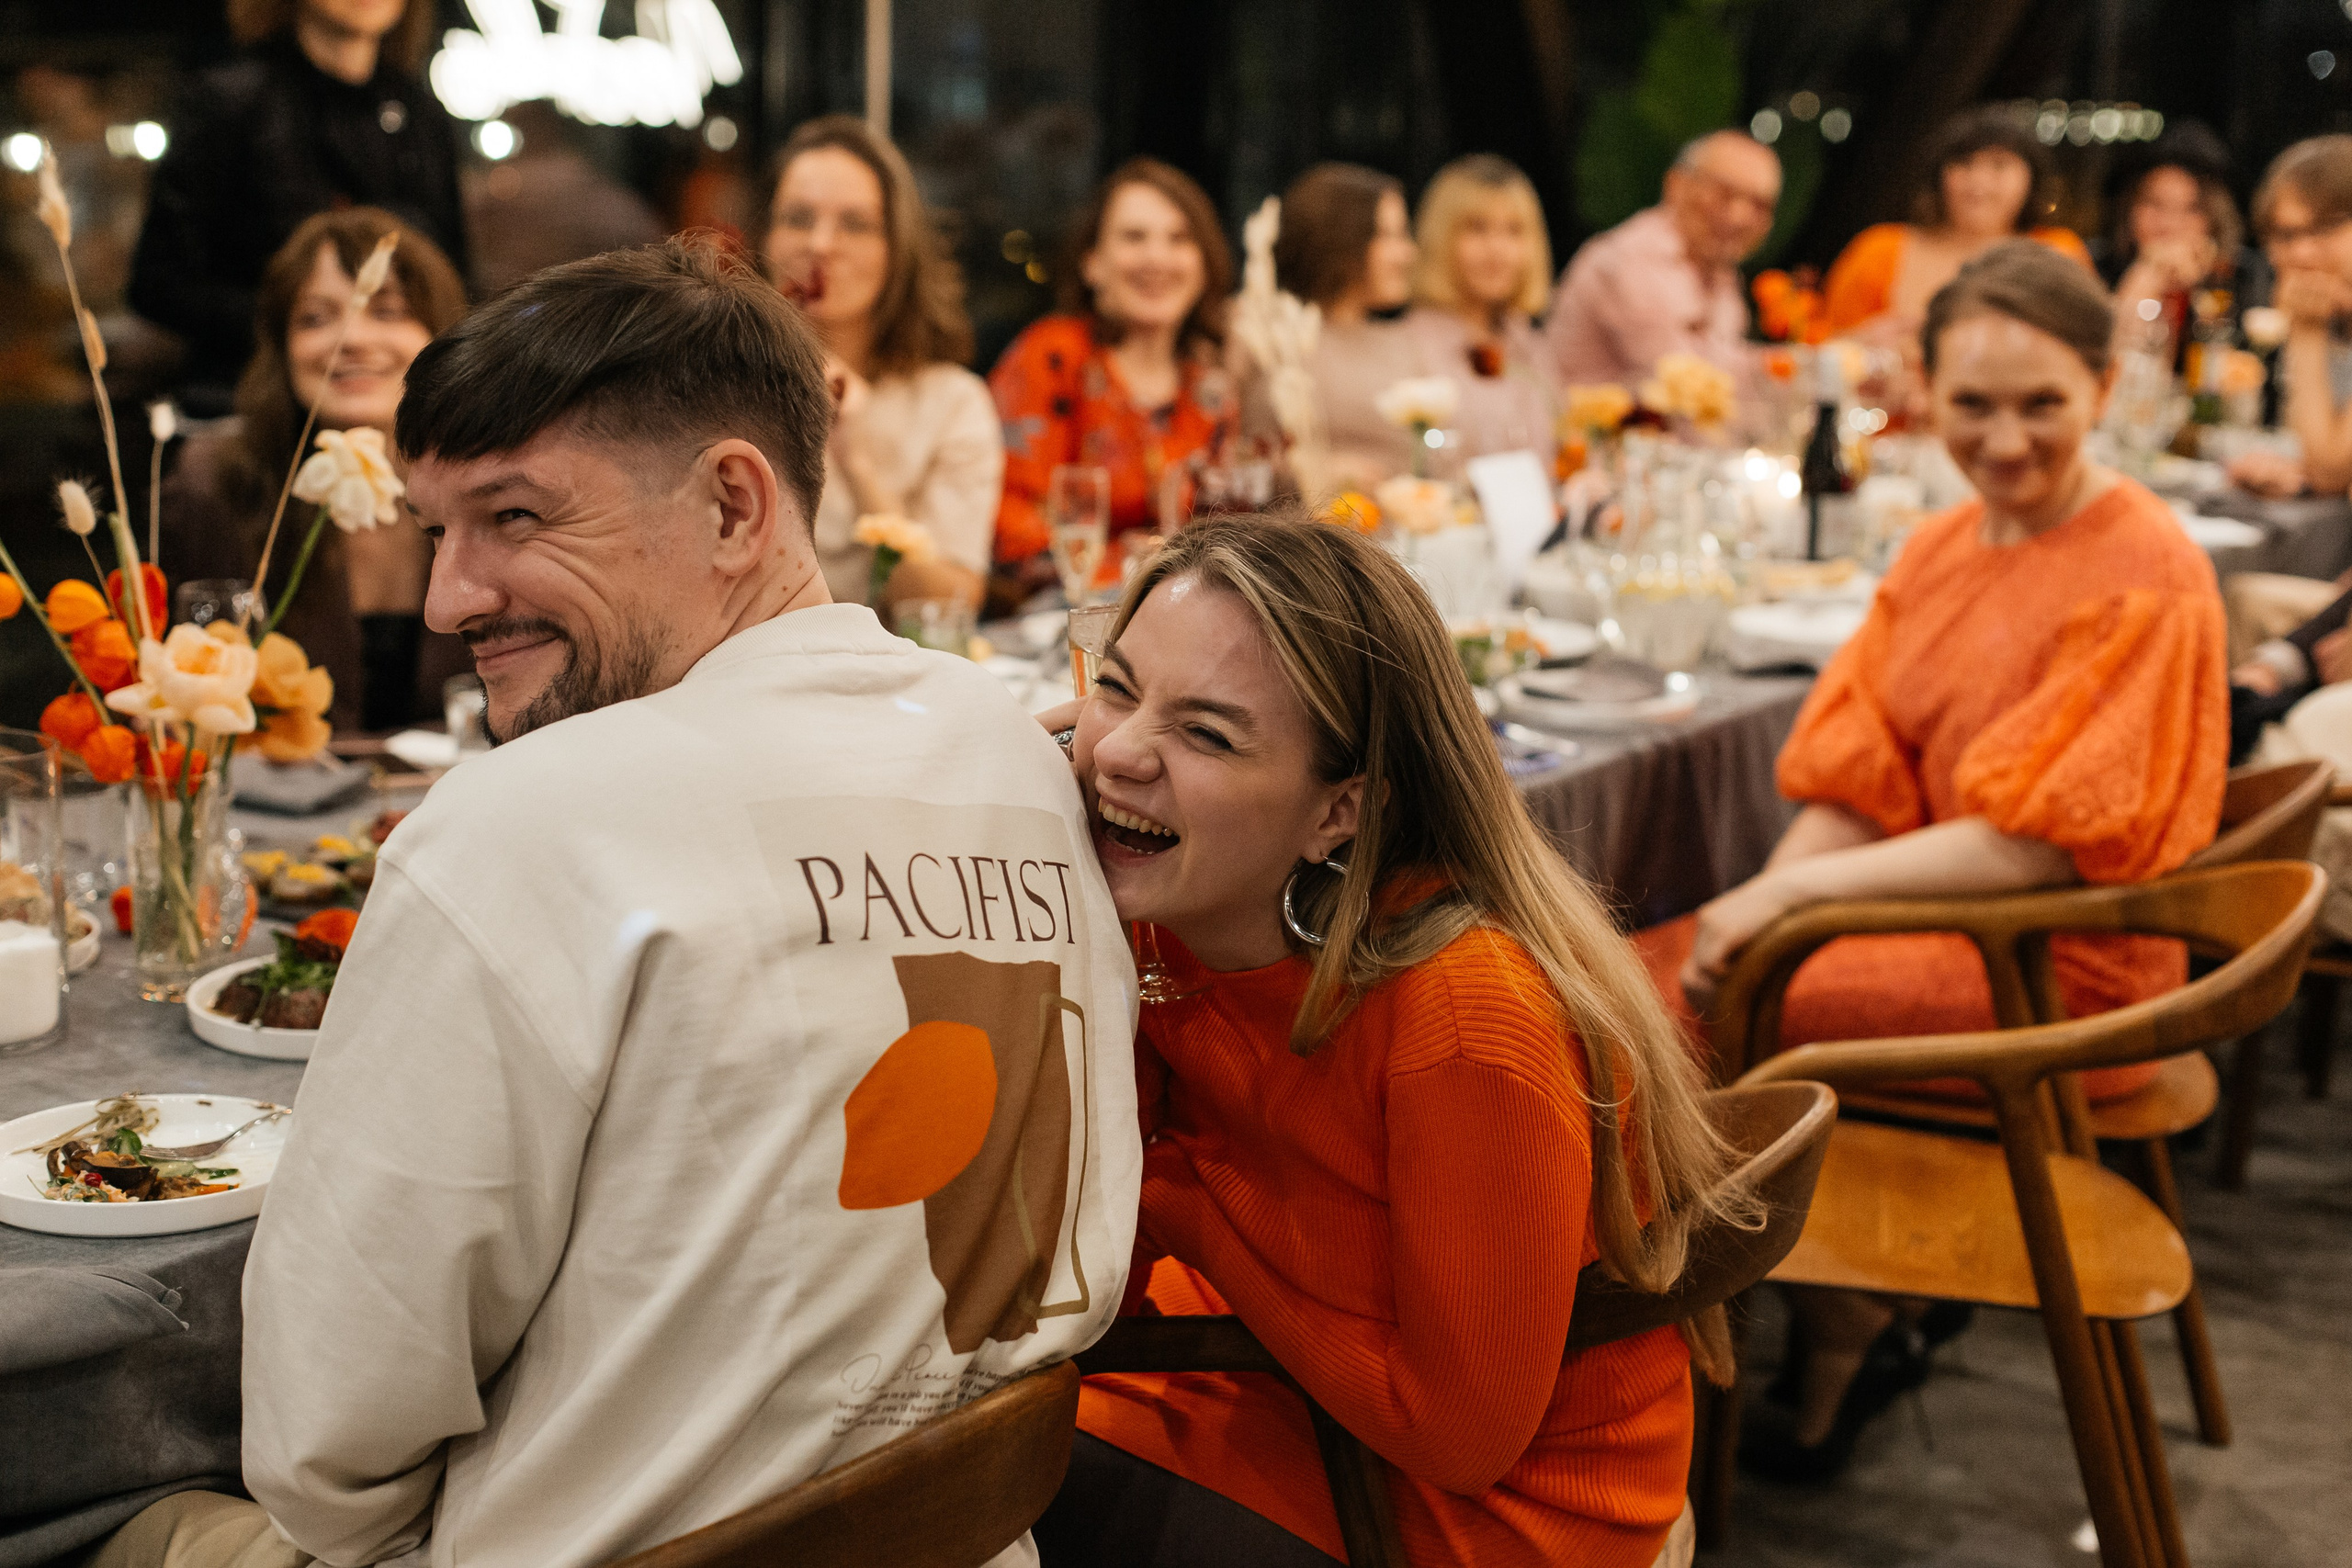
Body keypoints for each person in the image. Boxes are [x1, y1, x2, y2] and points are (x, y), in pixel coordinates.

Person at [90, 239, 1139, 1568]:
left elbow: (326, 1445)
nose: (448, 598)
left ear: (733, 507)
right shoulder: (1022, 759)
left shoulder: (523, 823)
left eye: (516, 517)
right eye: (437, 531)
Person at [1029, 516, 1744, 1568]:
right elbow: (1100, 1290)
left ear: (1341, 813)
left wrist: (1183, 1202)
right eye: (1117, 689)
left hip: (1498, 1514)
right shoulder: (1167, 913)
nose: (1122, 754)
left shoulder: (1464, 1021)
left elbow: (1458, 1439)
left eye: (1207, 734)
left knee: (937, 1505)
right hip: (1276, 1387)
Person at [1642, 242, 2228, 1481]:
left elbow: (2041, 840)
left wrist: (1784, 904)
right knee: (1653, 973)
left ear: (2103, 386)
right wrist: (1762, 911)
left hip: (2061, 959)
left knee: (1677, 1007)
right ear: (1926, 392)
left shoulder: (2147, 569)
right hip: (1944, 915)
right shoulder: (1942, 546)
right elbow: (1861, 776)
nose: (2004, 440)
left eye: (2041, 403)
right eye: (1972, 404)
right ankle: (1775, 1306)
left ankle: (1771, 1326)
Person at [160, 207, 469, 732]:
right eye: (315, 319)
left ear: (441, 337)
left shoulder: (496, 482)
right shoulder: (214, 484)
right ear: (280, 349)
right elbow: (170, 696)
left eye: (388, 311)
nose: (352, 339)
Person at [130, 0, 468, 411]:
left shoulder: (421, 116)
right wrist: (300, 324)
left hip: (403, 403)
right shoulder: (230, 102)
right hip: (253, 402)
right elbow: (157, 282)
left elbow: (454, 276)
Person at [765, 115, 1002, 611]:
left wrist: (857, 462)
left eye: (854, 224)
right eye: (798, 218)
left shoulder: (952, 403)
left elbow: (952, 605)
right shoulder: (721, 386)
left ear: (897, 250)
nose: (820, 244)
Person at [991, 158, 1238, 582]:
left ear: (1203, 264)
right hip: (1060, 610)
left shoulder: (1211, 390)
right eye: (1134, 237)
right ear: (1092, 263)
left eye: (1179, 239)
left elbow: (1229, 537)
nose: (1156, 257)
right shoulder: (1052, 356)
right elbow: (1011, 530)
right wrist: (1144, 571)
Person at [1820, 107, 2089, 344]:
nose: (1979, 181)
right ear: (1939, 177)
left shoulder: (2058, 253)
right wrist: (1860, 340)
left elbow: (2089, 345)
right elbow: (1822, 350)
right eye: (1964, 163)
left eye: (1999, 166)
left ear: (2031, 179)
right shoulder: (1880, 249)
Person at [1545, 130, 1782, 390]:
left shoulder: (1719, 273)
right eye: (1723, 193)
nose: (1739, 217)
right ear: (1676, 184)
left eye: (1759, 205)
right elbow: (1687, 384)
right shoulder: (1631, 260)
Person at [1272, 162, 1428, 488]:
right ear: (1340, 237)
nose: (1408, 253)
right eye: (1388, 236)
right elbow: (1240, 458)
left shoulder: (1403, 341)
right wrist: (1310, 470)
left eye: (1404, 235)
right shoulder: (1276, 340)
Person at [1402, 154, 1560, 467]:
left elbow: (1562, 452)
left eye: (1514, 231)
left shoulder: (1531, 346)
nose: (1497, 249)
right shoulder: (1409, 347)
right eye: (1477, 229)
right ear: (1440, 239)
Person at [2228, 136, 2352, 498]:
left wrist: (2305, 329)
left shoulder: (2313, 320)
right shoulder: (2338, 318)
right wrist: (2301, 474)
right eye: (2285, 235)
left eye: (2324, 228)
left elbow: (2330, 468)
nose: (2301, 253)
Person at [2093, 122, 2269, 367]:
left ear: (2215, 219)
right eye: (2155, 204)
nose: (2169, 224)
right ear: (2129, 209)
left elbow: (2248, 369)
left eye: (2191, 209)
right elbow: (2101, 369)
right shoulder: (2094, 267)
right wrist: (2143, 280)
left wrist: (2203, 296)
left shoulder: (2246, 277)